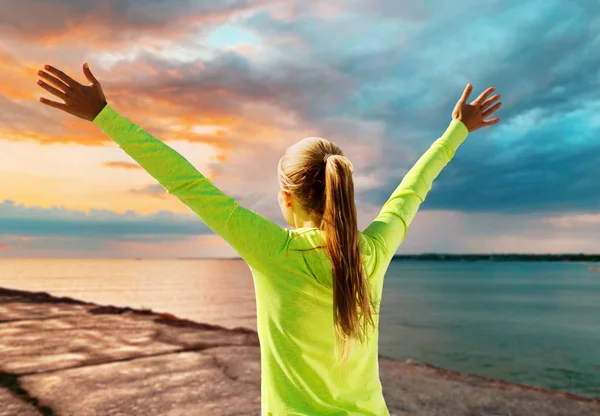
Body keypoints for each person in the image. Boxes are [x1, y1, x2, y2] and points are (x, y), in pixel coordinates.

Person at [36, 62, 502, 415]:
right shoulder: (372, 252)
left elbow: (188, 183)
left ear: (287, 198)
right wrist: (457, 129)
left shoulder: (274, 250)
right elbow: (412, 191)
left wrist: (103, 115)